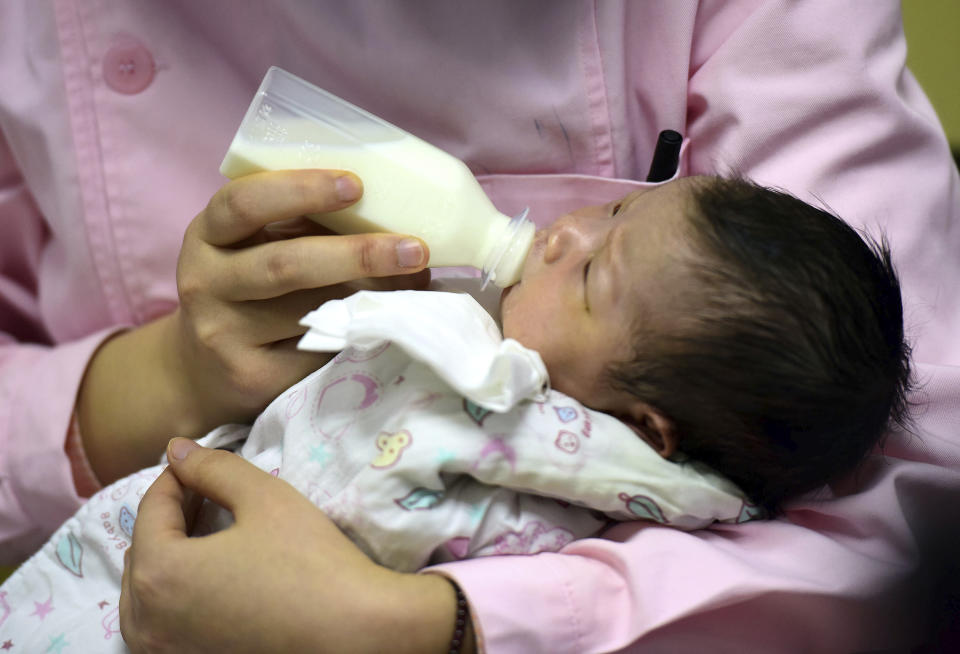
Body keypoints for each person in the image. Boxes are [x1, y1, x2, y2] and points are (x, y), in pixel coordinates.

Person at [1, 2, 958, 652]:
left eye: (597, 263)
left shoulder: (595, 458)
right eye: (614, 208)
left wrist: (429, 625)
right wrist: (161, 381)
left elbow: (905, 501)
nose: (565, 230)